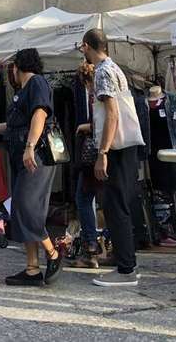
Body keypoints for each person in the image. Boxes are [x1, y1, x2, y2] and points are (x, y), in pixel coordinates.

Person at [0, 49, 63, 287]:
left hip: (34, 156)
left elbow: (40, 114)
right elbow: (16, 125)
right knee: (20, 207)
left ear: (17, 67)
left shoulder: (37, 82)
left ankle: (53, 253)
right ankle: (31, 269)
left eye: (12, 67)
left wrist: (30, 146)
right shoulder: (23, 91)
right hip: (23, 156)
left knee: (28, 207)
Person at [79, 28, 140, 287]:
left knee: (115, 206)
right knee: (120, 204)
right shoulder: (115, 68)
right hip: (125, 145)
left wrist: (102, 153)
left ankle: (126, 268)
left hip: (115, 147)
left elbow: (112, 114)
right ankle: (126, 261)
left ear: (86, 46)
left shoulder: (103, 72)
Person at [73, 60, 102, 268]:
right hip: (100, 155)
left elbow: (103, 121)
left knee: (84, 199)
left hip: (94, 156)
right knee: (104, 201)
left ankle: (91, 248)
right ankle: (100, 246)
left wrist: (85, 126)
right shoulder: (99, 94)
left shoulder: (96, 96)